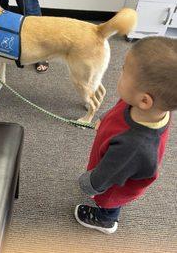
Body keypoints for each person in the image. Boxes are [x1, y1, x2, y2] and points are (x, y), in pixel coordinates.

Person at [75, 36, 176, 234]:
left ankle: (106, 220)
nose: (119, 73)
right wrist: (105, 119)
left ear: (145, 100)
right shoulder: (144, 106)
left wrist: (91, 184)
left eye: (123, 72)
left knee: (110, 200)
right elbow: (118, 110)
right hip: (114, 160)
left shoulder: (135, 145)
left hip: (116, 181)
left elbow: (108, 174)